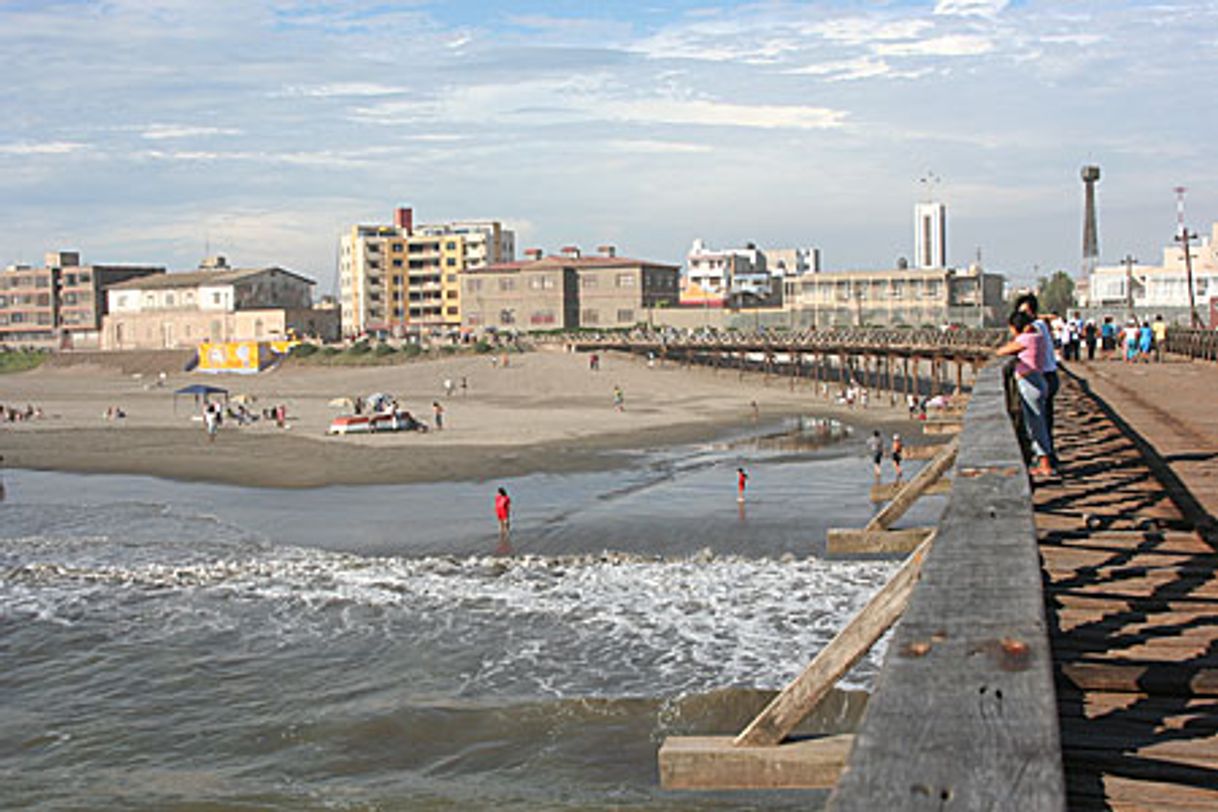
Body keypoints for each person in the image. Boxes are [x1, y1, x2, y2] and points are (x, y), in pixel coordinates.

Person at [997, 310, 1055, 477]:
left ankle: (1045, 463)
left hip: (1030, 384)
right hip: (1038, 380)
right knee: (1038, 423)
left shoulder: (1025, 339)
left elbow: (1001, 352)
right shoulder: (1038, 337)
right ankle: (1042, 460)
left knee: (1035, 425)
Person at [1014, 294, 1059, 469]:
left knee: (1038, 421)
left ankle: (1044, 460)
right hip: (1046, 376)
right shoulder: (1040, 325)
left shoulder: (1033, 328)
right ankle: (1047, 457)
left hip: (1043, 377)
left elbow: (1018, 344)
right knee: (1044, 420)